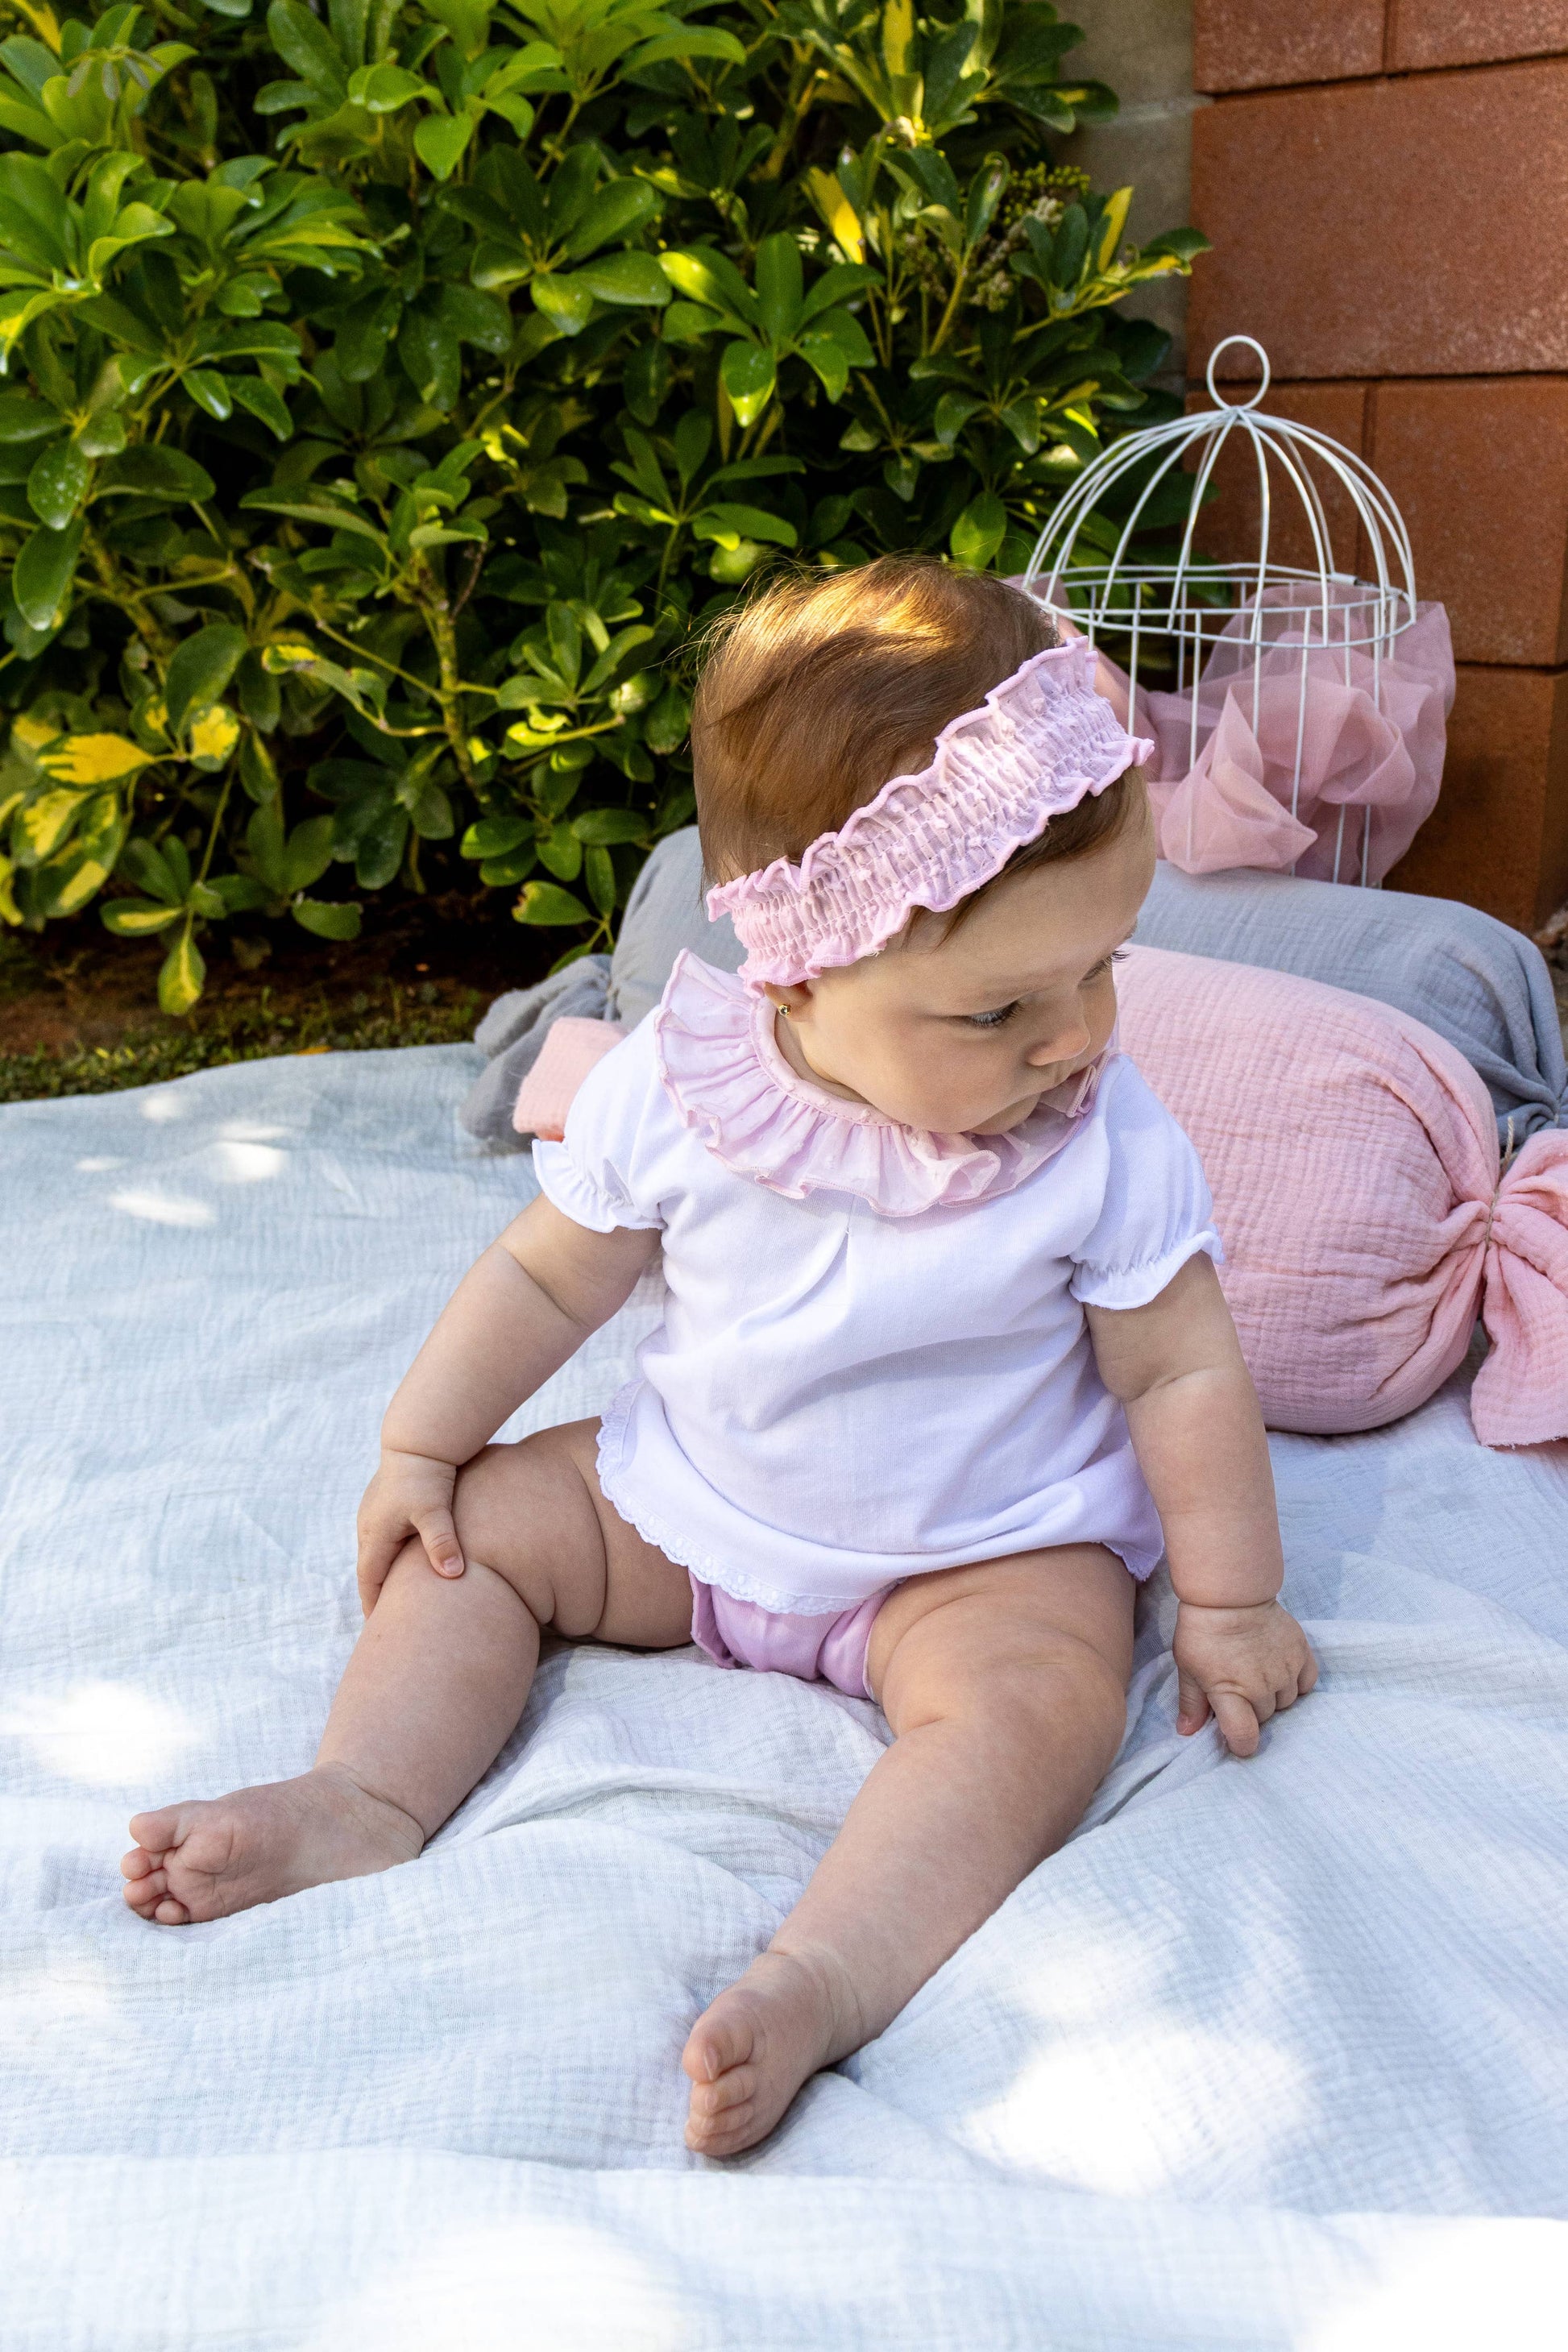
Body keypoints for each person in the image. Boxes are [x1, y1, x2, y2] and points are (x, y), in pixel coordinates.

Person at [122, 558, 1317, 2157]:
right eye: (1001, 1010)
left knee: (1041, 1706)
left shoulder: (1102, 1137)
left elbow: (1179, 1370)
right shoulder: (682, 1091)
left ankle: (827, 1969)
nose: (1076, 1036)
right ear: (802, 968)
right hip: (688, 1502)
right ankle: (365, 1793)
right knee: (478, 1533)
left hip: (978, 1553)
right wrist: (421, 1446)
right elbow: (545, 1276)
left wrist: (1229, 1600)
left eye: (1103, 967)